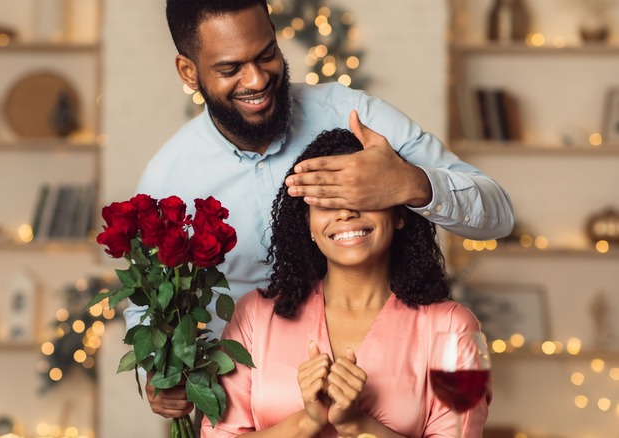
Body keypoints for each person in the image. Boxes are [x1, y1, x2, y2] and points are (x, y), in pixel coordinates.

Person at [127, 0, 511, 421]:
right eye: (230, 68)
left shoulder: (356, 118)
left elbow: (497, 213)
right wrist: (159, 373)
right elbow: (149, 301)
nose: (256, 79)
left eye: (266, 53)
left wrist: (408, 182)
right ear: (188, 71)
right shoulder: (169, 179)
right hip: (244, 410)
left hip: (387, 392)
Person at [201, 128, 490, 437]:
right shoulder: (254, 316)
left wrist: (356, 424)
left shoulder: (454, 328)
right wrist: (307, 421)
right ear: (308, 224)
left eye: (363, 194)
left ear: (400, 215)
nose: (345, 212)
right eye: (326, 200)